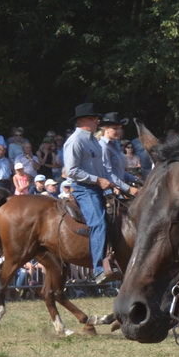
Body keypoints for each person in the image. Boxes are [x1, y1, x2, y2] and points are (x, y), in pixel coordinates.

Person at [61, 103, 115, 273]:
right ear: (83, 121)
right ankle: (99, 269)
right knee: (98, 223)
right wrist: (98, 180)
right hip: (84, 189)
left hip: (98, 187)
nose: (97, 122)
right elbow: (72, 171)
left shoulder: (93, 141)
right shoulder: (75, 141)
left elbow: (102, 168)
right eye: (93, 119)